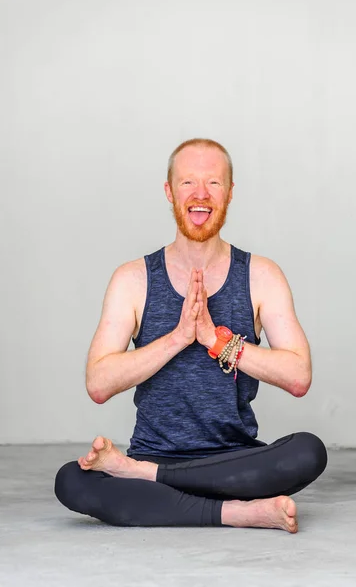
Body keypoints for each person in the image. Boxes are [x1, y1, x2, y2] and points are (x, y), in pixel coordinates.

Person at [55, 138, 327, 532]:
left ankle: (148, 480)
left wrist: (217, 340)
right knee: (70, 479)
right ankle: (236, 512)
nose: (201, 195)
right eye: (187, 183)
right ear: (169, 191)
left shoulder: (261, 275)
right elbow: (98, 383)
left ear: (230, 193)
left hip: (234, 462)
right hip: (157, 454)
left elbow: (299, 376)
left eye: (214, 183)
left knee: (308, 451)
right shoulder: (133, 279)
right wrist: (179, 337)